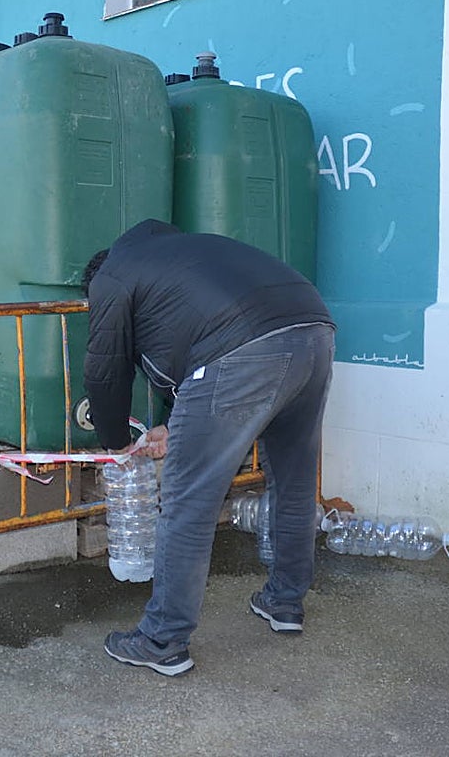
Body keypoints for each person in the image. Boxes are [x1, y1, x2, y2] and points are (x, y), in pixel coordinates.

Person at [83, 219, 335, 676]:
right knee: (295, 481)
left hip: (244, 346)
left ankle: (162, 639)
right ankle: (285, 603)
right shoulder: (181, 255)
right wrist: (167, 424)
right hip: (313, 330)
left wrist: (116, 441)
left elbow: (106, 371)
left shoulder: (112, 277)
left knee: (187, 501)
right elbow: (183, 351)